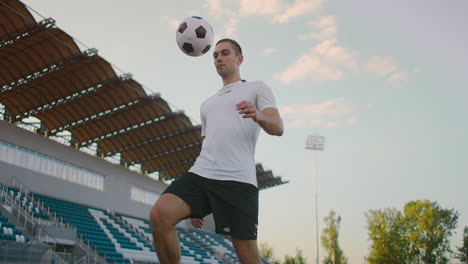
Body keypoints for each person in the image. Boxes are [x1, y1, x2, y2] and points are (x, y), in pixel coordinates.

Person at [149, 38, 284, 264]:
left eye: (224, 53)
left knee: (248, 255)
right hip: (202, 174)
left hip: (237, 180)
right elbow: (209, 144)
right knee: (159, 215)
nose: (219, 58)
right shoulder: (207, 104)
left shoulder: (257, 88)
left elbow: (278, 127)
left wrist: (258, 114)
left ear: (239, 59)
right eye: (215, 55)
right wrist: (197, 206)